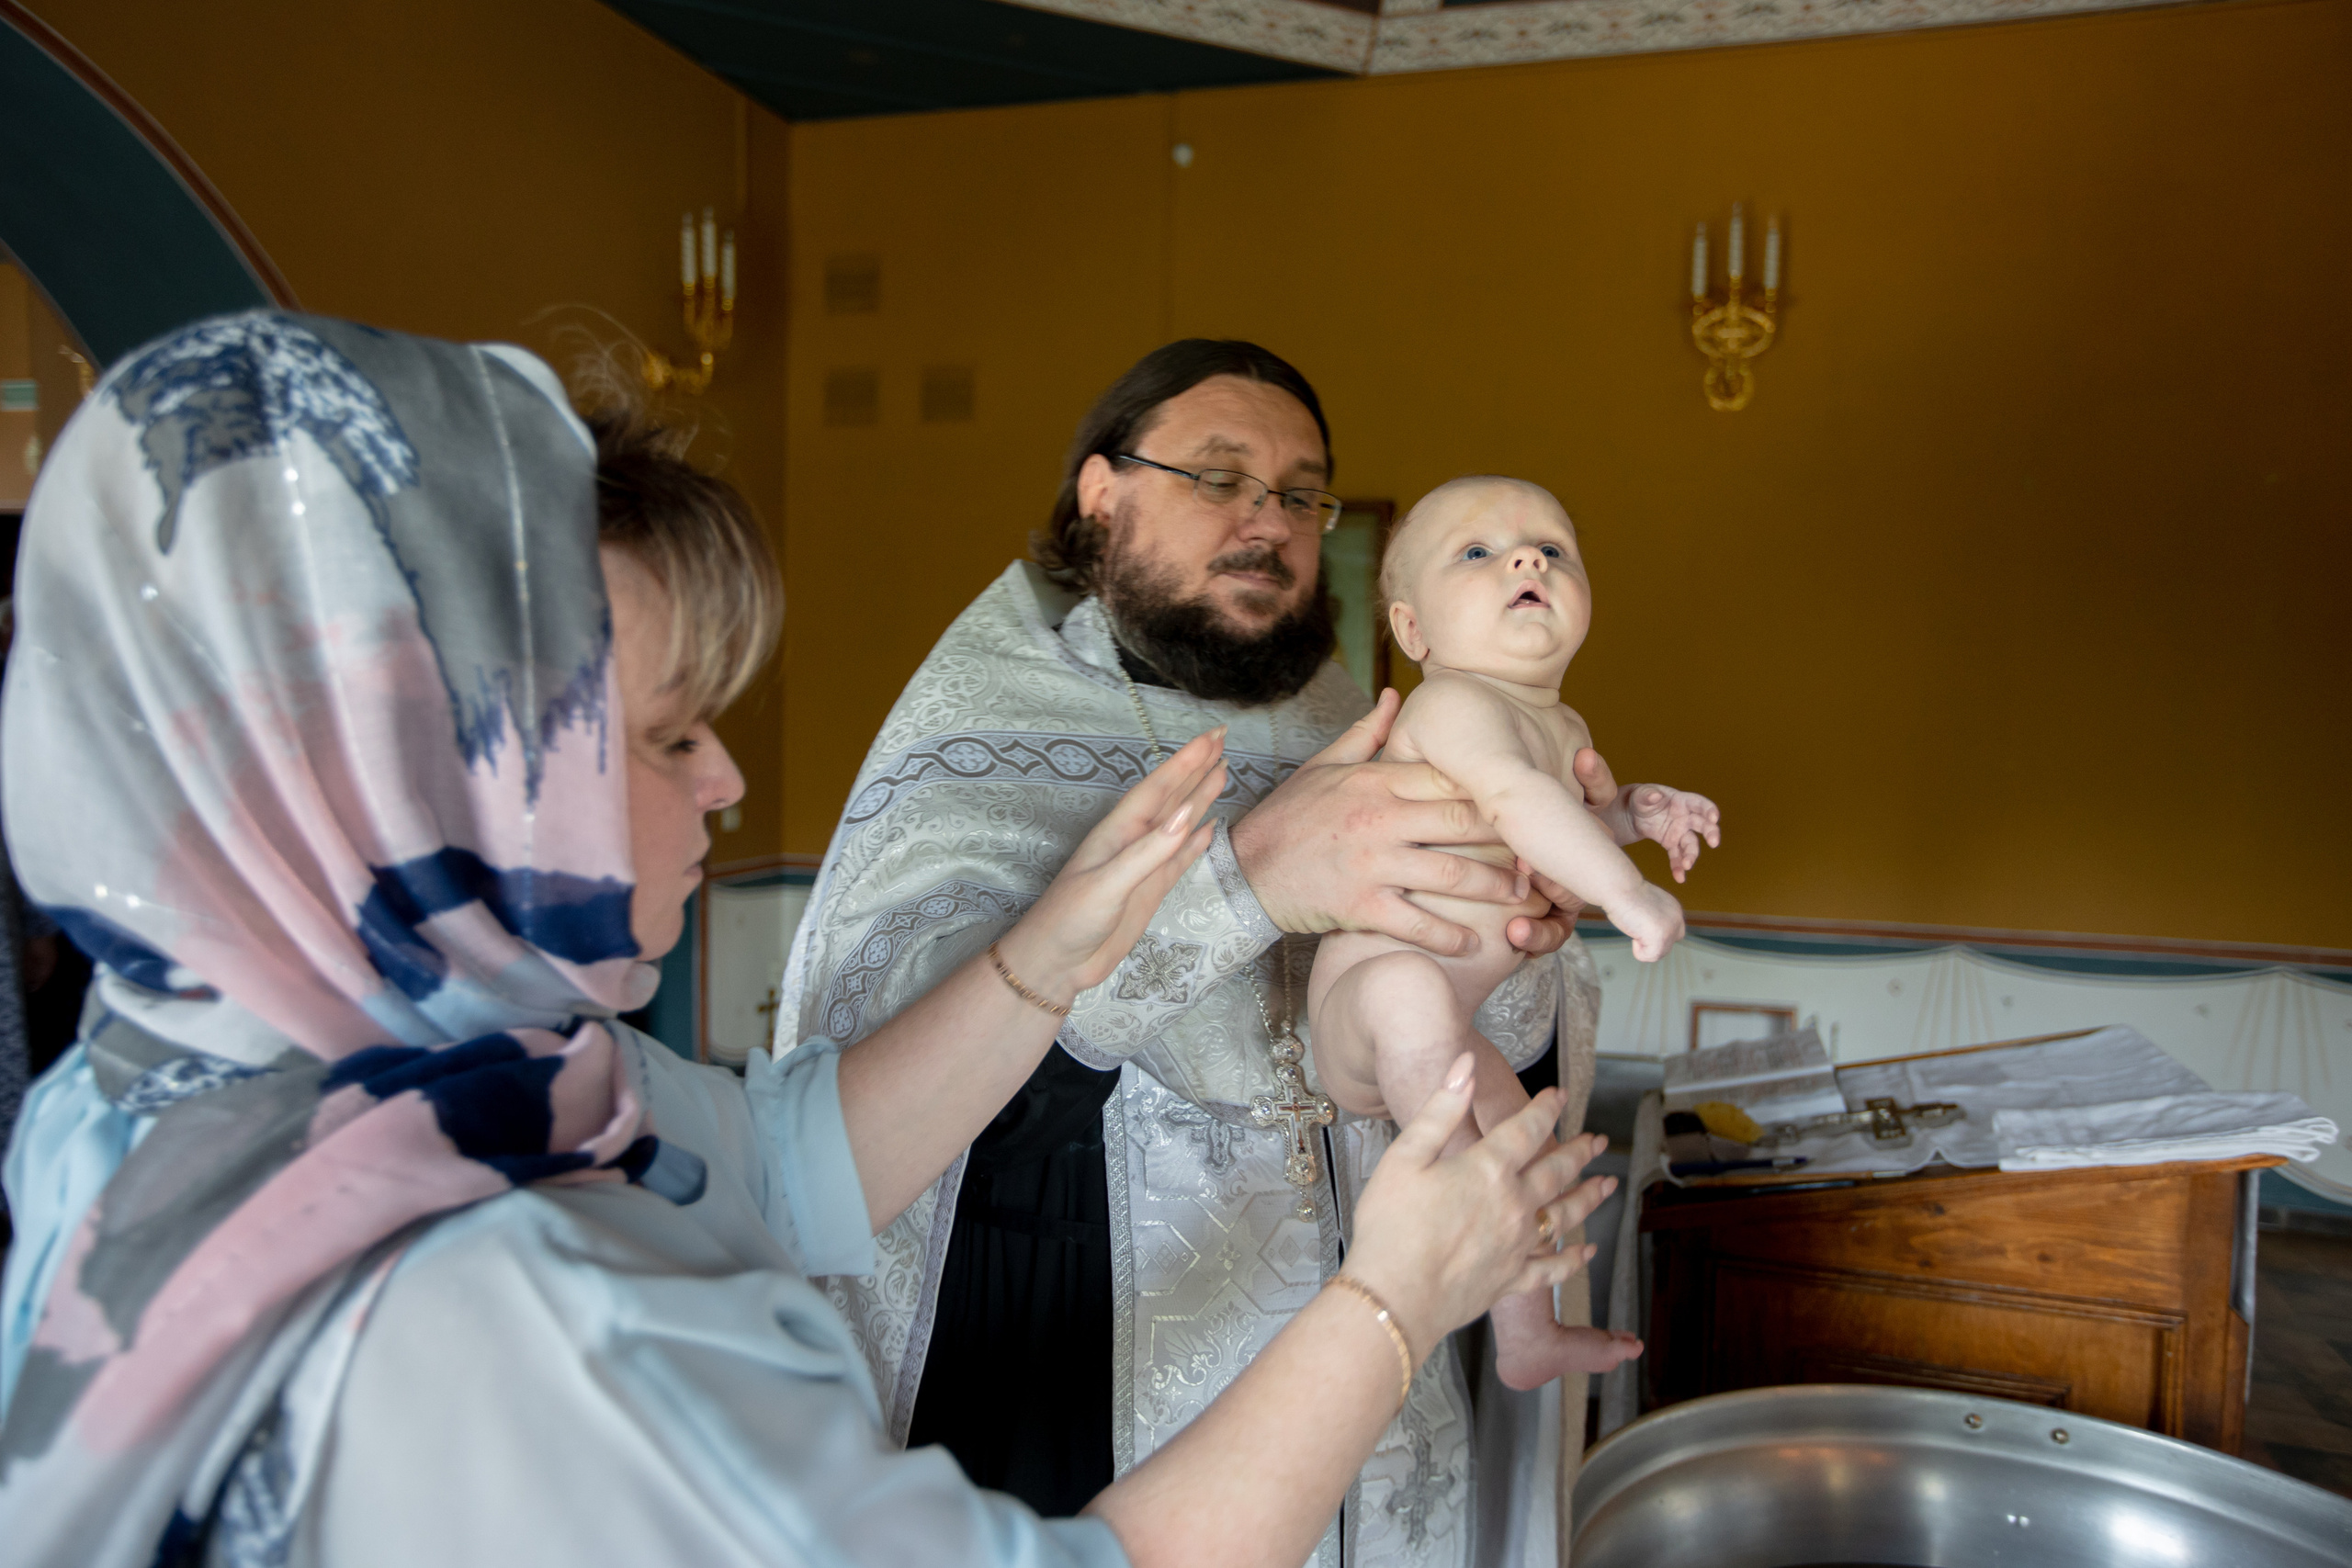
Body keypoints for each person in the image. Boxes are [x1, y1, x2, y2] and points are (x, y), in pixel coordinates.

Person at [0, 311, 1606, 1568]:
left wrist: (1063, 949)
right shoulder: (510, 1309)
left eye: (1299, 492)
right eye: (662, 728)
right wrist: (1393, 1296)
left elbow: (782, 1158)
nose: (730, 778)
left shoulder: (274, 1084)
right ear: (415, 764)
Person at [775, 341, 1676, 1562]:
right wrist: (1248, 877)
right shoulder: (979, 733)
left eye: (1303, 492)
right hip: (1086, 1355)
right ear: (1102, 494)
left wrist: (1507, 945)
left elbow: (1471, 1034)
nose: (1271, 519)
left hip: (1384, 1344)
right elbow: (921, 1116)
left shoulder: (1361, 717)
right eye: (1218, 475)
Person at [1308, 477, 1722, 1391]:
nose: (1528, 559)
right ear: (1415, 634)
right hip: (1369, 1001)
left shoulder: (1559, 723)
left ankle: (1527, 1335)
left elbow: (1551, 824)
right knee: (1410, 998)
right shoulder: (1453, 705)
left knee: (1520, 1148)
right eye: (1478, 552)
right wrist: (1627, 892)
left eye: (1552, 549)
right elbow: (1517, 802)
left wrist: (1630, 814)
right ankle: (1426, 1247)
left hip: (1450, 1032)